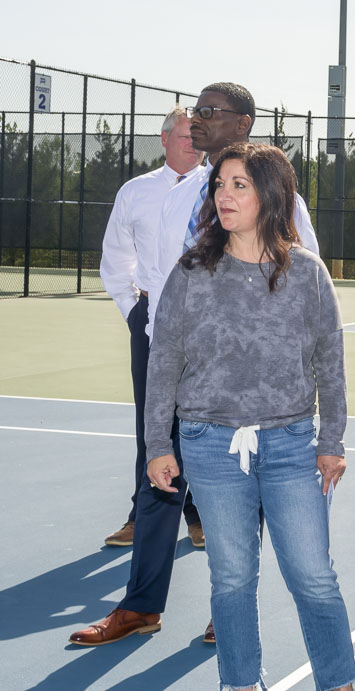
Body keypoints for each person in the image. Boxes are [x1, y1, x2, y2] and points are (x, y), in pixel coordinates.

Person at [144, 142, 355, 691]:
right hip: (208, 443)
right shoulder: (191, 272)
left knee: (313, 575)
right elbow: (164, 360)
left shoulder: (306, 271)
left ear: (271, 196)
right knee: (231, 577)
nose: (224, 194)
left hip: (292, 444)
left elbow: (330, 361)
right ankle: (241, 690)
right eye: (220, 184)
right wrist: (156, 443)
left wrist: (332, 440)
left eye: (239, 185)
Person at [69, 81, 318, 648]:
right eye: (197, 111)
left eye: (212, 112)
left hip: (243, 377)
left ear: (245, 123)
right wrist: (144, 321)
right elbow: (156, 276)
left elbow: (302, 281)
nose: (199, 120)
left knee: (238, 492)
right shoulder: (183, 195)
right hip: (175, 362)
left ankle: (229, 607)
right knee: (159, 481)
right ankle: (140, 607)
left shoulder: (281, 201)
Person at [97, 105, 204, 549]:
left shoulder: (219, 187)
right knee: (153, 421)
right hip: (151, 322)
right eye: (184, 137)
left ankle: (198, 515)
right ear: (163, 140)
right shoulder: (135, 192)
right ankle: (141, 517)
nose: (193, 144)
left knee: (200, 421)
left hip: (206, 325)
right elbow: (116, 256)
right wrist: (132, 310)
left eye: (198, 137)